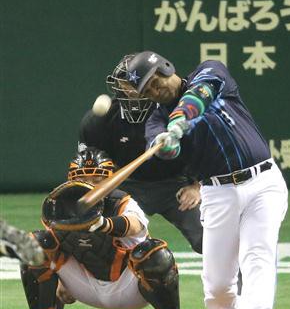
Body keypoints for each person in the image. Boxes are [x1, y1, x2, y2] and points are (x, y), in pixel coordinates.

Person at [122, 51, 288, 309]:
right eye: (147, 90)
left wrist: (180, 120)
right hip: (217, 192)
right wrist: (166, 145)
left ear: (167, 67)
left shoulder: (211, 71)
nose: (155, 90)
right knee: (216, 288)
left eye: (155, 81)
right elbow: (161, 148)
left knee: (257, 260)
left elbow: (199, 95)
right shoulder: (156, 121)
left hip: (263, 183)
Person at [6, 148, 196, 309]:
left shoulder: (122, 202)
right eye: (84, 178)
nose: (91, 185)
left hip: (130, 290)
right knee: (33, 244)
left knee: (155, 253)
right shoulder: (60, 206)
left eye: (98, 180)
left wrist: (105, 224)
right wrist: (61, 284)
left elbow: (135, 224)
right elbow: (54, 249)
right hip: (84, 286)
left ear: (111, 180)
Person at [77, 54, 203, 254]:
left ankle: (239, 283)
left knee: (208, 236)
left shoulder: (174, 112)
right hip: (125, 185)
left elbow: (203, 151)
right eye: (124, 84)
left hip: (175, 185)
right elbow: (89, 167)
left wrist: (197, 186)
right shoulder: (98, 122)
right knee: (95, 239)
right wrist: (101, 189)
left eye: (134, 83)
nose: (130, 90)